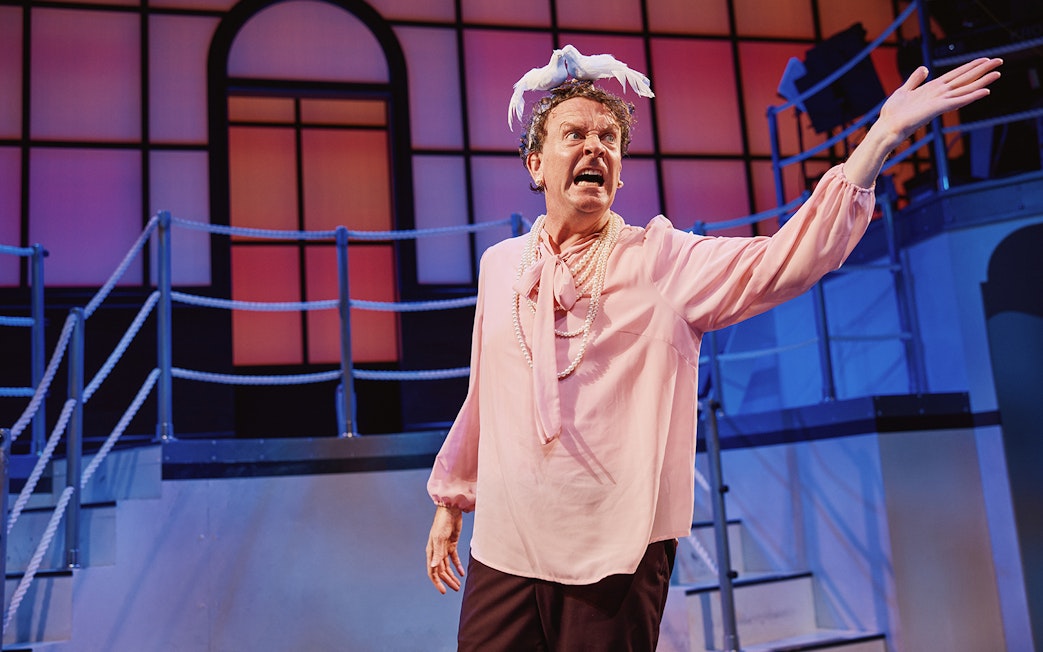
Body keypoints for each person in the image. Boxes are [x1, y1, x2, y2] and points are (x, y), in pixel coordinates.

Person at [425, 46, 1002, 651]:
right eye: (574, 135)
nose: (595, 147)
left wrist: (878, 140)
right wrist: (452, 501)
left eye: (608, 139)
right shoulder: (501, 265)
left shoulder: (660, 258)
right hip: (508, 544)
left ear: (619, 171)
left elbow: (783, 261)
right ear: (537, 164)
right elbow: (486, 394)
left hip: (614, 547)